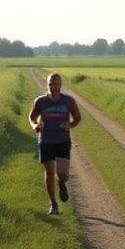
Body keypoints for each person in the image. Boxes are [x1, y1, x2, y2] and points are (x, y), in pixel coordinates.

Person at [29, 72, 82, 215]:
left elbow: (77, 118)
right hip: (46, 141)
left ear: (61, 85)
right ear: (48, 84)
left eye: (57, 84)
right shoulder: (40, 101)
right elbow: (32, 117)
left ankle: (62, 183)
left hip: (62, 141)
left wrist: (69, 125)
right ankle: (53, 204)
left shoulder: (68, 101)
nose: (55, 87)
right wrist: (35, 125)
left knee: (63, 174)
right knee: (50, 172)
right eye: (52, 84)